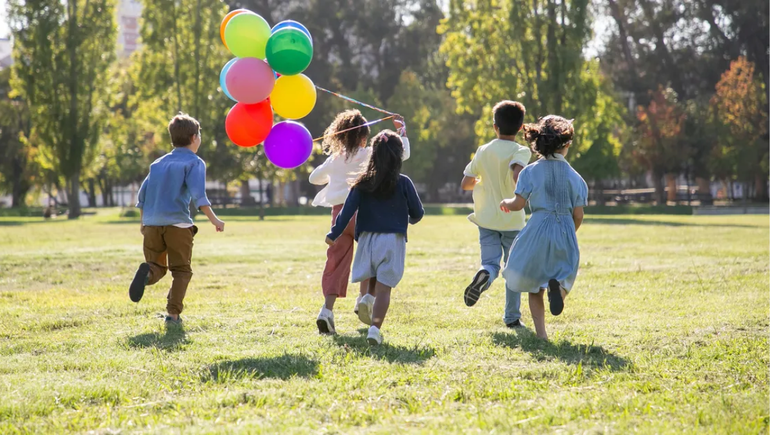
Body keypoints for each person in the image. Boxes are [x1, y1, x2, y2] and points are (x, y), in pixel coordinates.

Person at [310, 110, 410, 335]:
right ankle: (364, 299)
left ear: (340, 137)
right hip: (363, 214)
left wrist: (334, 171)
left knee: (335, 262)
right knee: (370, 257)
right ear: (364, 137)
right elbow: (401, 154)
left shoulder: (335, 158)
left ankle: (327, 310)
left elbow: (313, 178)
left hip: (339, 216)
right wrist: (401, 131)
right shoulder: (368, 154)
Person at [325, 130, 423, 345]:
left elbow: (346, 212)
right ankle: (374, 330)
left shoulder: (362, 183)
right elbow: (418, 212)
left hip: (367, 240)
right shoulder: (404, 182)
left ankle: (367, 298)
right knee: (385, 288)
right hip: (392, 240)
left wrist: (334, 233)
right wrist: (410, 219)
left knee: (372, 275)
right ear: (398, 156)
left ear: (373, 155)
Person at [129, 113, 225, 326]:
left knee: (157, 266)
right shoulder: (194, 162)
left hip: (152, 224)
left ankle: (147, 274)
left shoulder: (158, 163)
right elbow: (199, 196)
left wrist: (143, 224)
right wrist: (215, 220)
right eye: (199, 135)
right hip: (178, 225)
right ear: (193, 138)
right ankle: (173, 315)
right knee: (181, 270)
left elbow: (141, 196)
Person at [500, 115, 588, 340]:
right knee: (565, 274)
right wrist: (569, 232)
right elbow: (578, 215)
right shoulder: (576, 178)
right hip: (565, 229)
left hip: (537, 229)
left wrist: (506, 203)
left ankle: (542, 335)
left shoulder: (529, 172)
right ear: (566, 144)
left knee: (534, 285)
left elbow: (518, 204)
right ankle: (558, 291)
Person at [460, 100, 531, 328]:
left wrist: (484, 181)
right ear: (520, 128)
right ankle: (512, 317)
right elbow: (517, 174)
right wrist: (518, 194)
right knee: (513, 270)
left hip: (486, 219)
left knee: (490, 263)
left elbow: (466, 183)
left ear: (494, 126)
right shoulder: (521, 150)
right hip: (511, 219)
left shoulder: (483, 150)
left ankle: (484, 275)